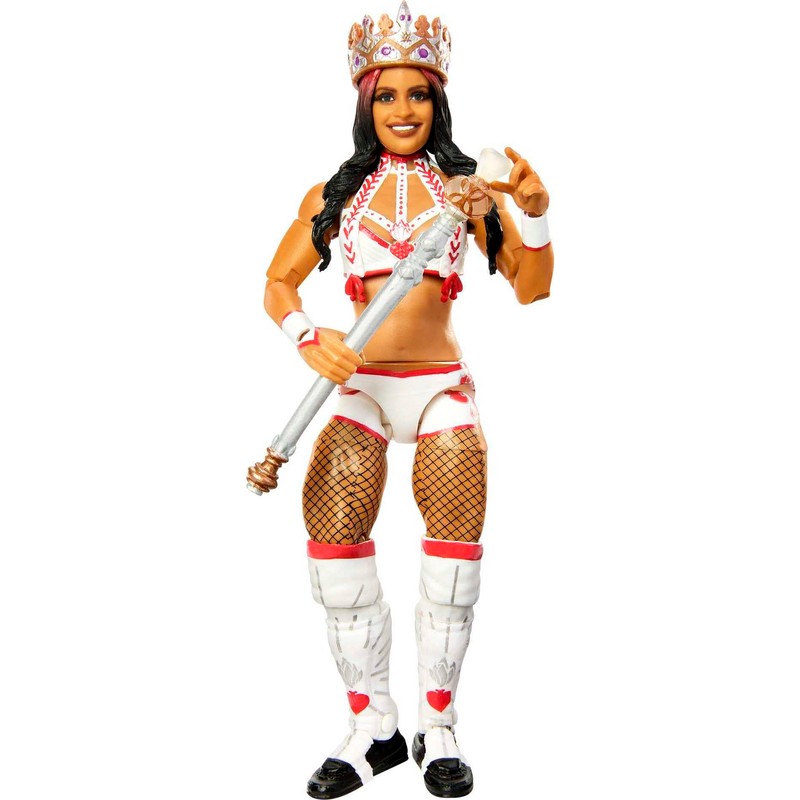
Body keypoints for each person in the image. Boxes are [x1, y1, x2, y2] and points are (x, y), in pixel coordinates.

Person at [262, 4, 553, 797]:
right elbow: (278, 281)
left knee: (453, 559)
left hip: (438, 390)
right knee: (334, 546)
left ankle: (439, 725)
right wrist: (307, 337)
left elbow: (534, 288)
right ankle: (373, 728)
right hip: (359, 386)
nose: (402, 110)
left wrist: (532, 217)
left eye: (417, 94)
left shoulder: (469, 194)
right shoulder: (338, 195)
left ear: (438, 101)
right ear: (365, 103)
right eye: (385, 95)